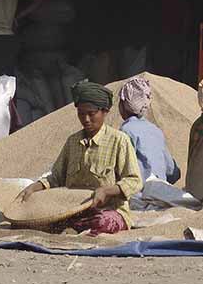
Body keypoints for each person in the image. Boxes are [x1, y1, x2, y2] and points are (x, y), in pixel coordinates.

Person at [17, 80, 142, 235]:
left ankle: (75, 229)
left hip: (109, 210)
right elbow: (56, 176)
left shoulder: (119, 140)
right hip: (73, 210)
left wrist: (107, 191)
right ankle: (72, 228)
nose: (86, 119)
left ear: (105, 112)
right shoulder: (72, 141)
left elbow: (134, 180)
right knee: (37, 221)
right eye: (81, 114)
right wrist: (35, 187)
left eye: (91, 114)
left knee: (102, 222)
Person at [117, 76, 180, 184]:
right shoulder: (155, 130)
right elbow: (172, 172)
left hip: (139, 193)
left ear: (123, 105)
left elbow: (120, 169)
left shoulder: (125, 130)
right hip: (160, 190)